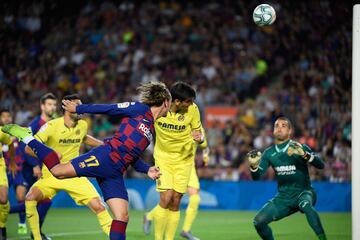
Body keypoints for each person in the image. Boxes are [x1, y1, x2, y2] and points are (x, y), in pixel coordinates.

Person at [2, 81, 171, 240]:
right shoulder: (140, 109)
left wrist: (147, 169)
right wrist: (80, 108)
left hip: (116, 172)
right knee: (58, 171)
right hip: (105, 157)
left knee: (122, 216)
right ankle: (27, 138)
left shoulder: (151, 127)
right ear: (165, 102)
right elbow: (110, 109)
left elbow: (132, 156)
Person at [23, 94, 112, 240]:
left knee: (99, 207)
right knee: (30, 198)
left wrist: (104, 145)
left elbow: (83, 138)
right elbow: (28, 149)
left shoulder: (83, 125)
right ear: (67, 108)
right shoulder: (51, 126)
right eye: (78, 106)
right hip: (51, 174)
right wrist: (49, 155)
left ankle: (116, 238)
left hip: (74, 173)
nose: (81, 109)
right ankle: (37, 238)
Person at [142, 81, 206, 240]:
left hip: (184, 161)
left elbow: (199, 133)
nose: (191, 104)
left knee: (176, 201)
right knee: (165, 198)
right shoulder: (158, 108)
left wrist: (199, 138)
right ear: (176, 101)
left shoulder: (193, 110)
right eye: (188, 101)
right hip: (163, 159)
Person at [247, 116, 327, 240]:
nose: (279, 128)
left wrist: (304, 154)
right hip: (283, 198)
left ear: (290, 131)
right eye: (276, 126)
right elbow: (256, 177)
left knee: (306, 205)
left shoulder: (299, 147)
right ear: (273, 131)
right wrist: (253, 166)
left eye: (283, 126)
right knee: (258, 222)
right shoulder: (268, 153)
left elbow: (321, 165)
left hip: (304, 192)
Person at [143, 127, 209, 240]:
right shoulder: (176, 124)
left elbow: (205, 145)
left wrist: (205, 156)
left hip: (188, 166)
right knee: (169, 200)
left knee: (194, 198)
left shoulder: (197, 127)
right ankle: (150, 217)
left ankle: (186, 230)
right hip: (170, 164)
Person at [16, 93, 57, 240]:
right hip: (30, 170)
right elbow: (23, 146)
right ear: (42, 106)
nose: (52, 107)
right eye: (49, 104)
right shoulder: (34, 125)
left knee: (43, 201)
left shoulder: (54, 124)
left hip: (44, 170)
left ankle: (36, 233)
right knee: (37, 201)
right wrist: (34, 165)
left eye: (54, 104)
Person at [0, 109, 27, 235]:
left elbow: (25, 150)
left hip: (18, 171)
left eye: (8, 116)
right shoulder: (1, 133)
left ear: (11, 118)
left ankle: (22, 224)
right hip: (4, 171)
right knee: (3, 199)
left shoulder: (17, 132)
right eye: (3, 116)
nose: (6, 118)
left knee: (21, 197)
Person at [0, 117, 15, 240]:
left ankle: (2, 226)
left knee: (3, 199)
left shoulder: (0, 132)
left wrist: (12, 163)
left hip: (0, 166)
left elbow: (10, 144)